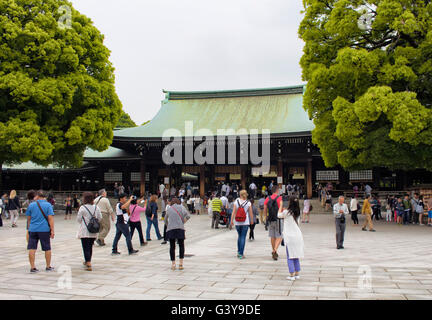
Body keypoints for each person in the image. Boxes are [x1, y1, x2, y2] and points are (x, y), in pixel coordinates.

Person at [26, 190, 55, 273]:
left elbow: (28, 218)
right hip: (44, 229)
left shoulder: (31, 205)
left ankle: (32, 267)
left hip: (33, 229)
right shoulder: (48, 205)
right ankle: (48, 266)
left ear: (38, 196)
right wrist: (52, 230)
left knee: (32, 248)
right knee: (47, 248)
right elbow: (50, 218)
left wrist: (29, 228)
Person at [278, 196, 304, 280]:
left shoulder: (286, 212)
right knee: (296, 255)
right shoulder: (298, 212)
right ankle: (297, 273)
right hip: (297, 235)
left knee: (290, 255)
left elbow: (279, 215)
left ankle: (291, 274)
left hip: (290, 236)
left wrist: (281, 206)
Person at [76, 192, 103, 271]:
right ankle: (88, 260)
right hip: (93, 230)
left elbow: (78, 219)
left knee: (85, 247)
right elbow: (100, 218)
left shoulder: (82, 207)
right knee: (90, 246)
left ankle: (88, 262)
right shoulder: (96, 207)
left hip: (84, 230)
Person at [166, 198, 191, 270]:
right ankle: (181, 263)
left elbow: (165, 219)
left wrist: (169, 225)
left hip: (171, 229)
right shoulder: (182, 207)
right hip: (180, 228)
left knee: (172, 246)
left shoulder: (169, 209)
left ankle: (173, 264)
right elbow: (188, 216)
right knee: (181, 245)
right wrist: (183, 222)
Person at [230, 190, 254, 259]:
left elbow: (233, 212)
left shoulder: (236, 201)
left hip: (237, 222)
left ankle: (238, 252)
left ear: (239, 194)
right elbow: (250, 213)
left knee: (239, 236)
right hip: (245, 222)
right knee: (243, 237)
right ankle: (241, 253)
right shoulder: (248, 203)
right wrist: (251, 221)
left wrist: (231, 220)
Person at [263, 185, 283, 261]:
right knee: (280, 235)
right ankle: (274, 250)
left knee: (272, 236)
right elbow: (282, 208)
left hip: (270, 219)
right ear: (277, 190)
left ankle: (275, 251)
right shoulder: (280, 198)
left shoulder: (267, 198)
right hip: (278, 218)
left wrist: (266, 217)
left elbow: (265, 208)